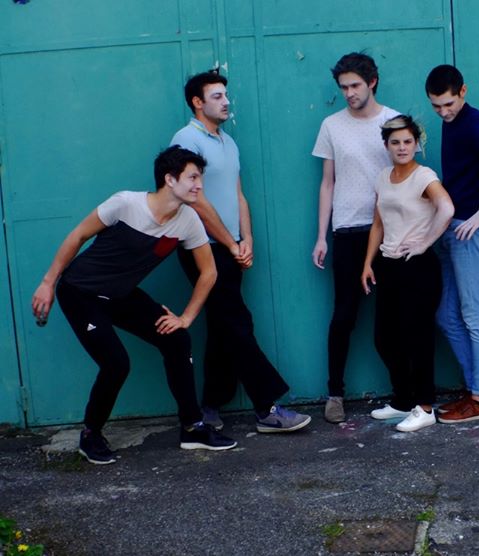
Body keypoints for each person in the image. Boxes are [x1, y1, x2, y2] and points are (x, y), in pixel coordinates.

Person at [30, 147, 237, 464]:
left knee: (177, 339)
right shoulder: (126, 204)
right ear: (170, 179)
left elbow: (209, 272)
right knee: (116, 363)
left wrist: (186, 317)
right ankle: (91, 434)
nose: (199, 185)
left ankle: (193, 428)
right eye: (193, 178)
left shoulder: (188, 221)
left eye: (200, 178)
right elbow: (78, 235)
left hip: (120, 295)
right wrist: (48, 283)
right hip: (80, 291)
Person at [171, 70, 311, 433]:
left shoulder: (228, 142)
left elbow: (238, 195)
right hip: (202, 248)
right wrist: (231, 244)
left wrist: (245, 239)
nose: (226, 102)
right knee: (236, 322)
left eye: (225, 95)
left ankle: (210, 405)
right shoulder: (186, 140)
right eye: (217, 96)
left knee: (223, 325)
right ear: (197, 103)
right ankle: (267, 407)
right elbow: (196, 201)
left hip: (229, 247)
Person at [311, 52, 401, 424]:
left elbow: (406, 176)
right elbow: (327, 183)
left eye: (355, 86)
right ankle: (335, 394)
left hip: (390, 230)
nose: (349, 93)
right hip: (347, 231)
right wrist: (321, 236)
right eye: (343, 87)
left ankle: (406, 393)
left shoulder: (393, 121)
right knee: (344, 316)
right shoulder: (331, 125)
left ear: (372, 82)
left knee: (393, 317)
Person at [361, 115, 454, 432]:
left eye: (407, 142)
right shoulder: (383, 177)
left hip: (418, 267)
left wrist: (425, 242)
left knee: (418, 338)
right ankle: (403, 400)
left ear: (416, 144)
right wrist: (367, 263)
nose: (402, 147)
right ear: (386, 145)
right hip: (388, 265)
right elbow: (378, 223)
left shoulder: (424, 176)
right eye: (395, 142)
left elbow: (447, 208)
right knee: (385, 338)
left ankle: (425, 407)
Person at [424, 65, 479, 423]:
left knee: (474, 315)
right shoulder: (451, 122)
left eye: (448, 104)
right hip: (450, 228)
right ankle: (475, 387)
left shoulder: (473, 120)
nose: (443, 112)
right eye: (436, 106)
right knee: (446, 315)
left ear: (463, 92)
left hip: (469, 231)